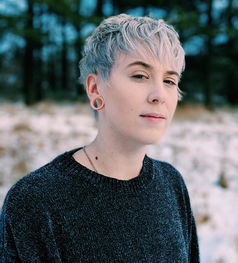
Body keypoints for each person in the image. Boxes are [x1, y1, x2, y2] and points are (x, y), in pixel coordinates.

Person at [0, 14, 200, 262]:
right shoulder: (36, 201)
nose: (159, 95)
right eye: (140, 75)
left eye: (170, 80)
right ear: (95, 88)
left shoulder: (171, 184)